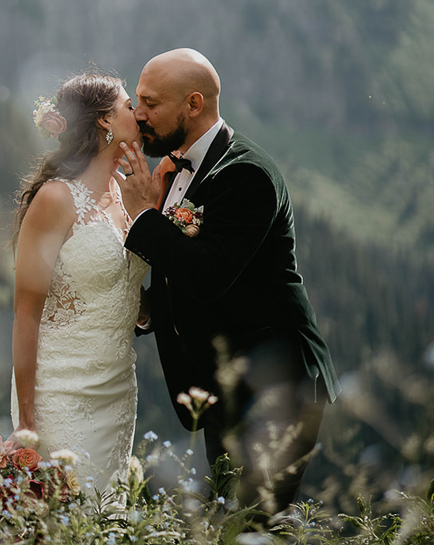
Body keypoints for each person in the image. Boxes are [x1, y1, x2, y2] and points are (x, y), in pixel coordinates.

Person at [118, 48, 339, 521]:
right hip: (224, 387)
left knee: (253, 524)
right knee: (231, 522)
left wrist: (141, 213)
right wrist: (150, 311)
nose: (138, 115)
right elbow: (186, 280)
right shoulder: (176, 169)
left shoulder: (246, 174)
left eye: (150, 103)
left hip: (277, 386)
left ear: (193, 105)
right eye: (137, 101)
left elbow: (207, 276)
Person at [9, 71, 148, 490]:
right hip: (62, 392)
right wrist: (29, 423)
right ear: (105, 120)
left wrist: (149, 215)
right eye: (129, 107)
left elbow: (127, 292)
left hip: (118, 390)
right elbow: (25, 313)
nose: (139, 115)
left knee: (107, 521)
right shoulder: (55, 199)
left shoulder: (130, 192)